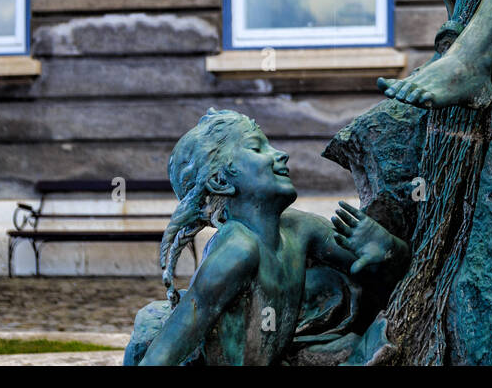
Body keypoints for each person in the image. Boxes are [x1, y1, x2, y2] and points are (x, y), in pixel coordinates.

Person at [136, 109, 408, 366]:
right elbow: (164, 352)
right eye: (256, 148)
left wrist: (387, 248)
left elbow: (391, 275)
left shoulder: (301, 228)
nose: (282, 154)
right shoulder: (237, 250)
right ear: (220, 181)